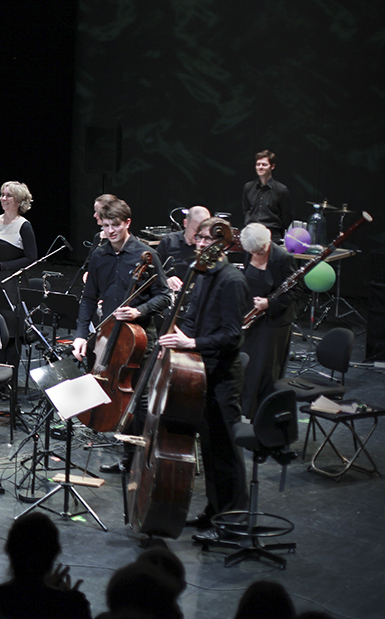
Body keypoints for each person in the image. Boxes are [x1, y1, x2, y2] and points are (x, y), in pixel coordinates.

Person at [157, 216, 249, 541]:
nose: (201, 244)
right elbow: (192, 318)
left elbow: (233, 336)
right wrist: (174, 341)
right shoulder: (202, 274)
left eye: (209, 239)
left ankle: (232, 523)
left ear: (223, 244)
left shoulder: (232, 280)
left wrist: (191, 343)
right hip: (200, 372)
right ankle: (214, 511)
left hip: (223, 376)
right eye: (199, 238)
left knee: (225, 452)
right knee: (209, 450)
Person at [71, 198, 169, 473]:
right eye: (106, 225)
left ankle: (141, 458)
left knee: (138, 397)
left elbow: (164, 296)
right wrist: (81, 335)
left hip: (138, 337)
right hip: (107, 334)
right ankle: (126, 454)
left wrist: (139, 311)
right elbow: (89, 298)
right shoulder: (99, 255)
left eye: (115, 225)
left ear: (127, 223)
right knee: (114, 391)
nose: (110, 231)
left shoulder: (146, 255)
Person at [239, 222, 300, 419]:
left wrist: (269, 303)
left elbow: (296, 291)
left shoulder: (283, 258)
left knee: (265, 370)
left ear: (269, 239)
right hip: (251, 317)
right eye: (253, 252)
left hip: (274, 320)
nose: (257, 254)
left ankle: (263, 416)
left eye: (260, 250)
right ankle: (245, 411)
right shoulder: (249, 251)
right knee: (248, 367)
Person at [0, 181, 38, 383]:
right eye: (2, 194)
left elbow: (31, 258)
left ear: (19, 201)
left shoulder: (24, 226)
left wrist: (2, 265)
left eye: (8, 195)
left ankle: (10, 383)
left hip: (13, 285)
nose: (3, 199)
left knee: (12, 334)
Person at [156, 206, 211, 292]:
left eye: (203, 231)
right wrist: (166, 279)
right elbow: (154, 271)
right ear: (185, 223)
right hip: (172, 293)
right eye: (195, 230)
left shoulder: (209, 245)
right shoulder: (169, 241)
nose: (199, 235)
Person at [242, 149, 292, 242]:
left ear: (272, 166)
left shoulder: (281, 190)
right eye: (258, 164)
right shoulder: (248, 187)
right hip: (251, 235)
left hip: (272, 237)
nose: (260, 167)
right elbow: (246, 210)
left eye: (264, 165)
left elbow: (286, 217)